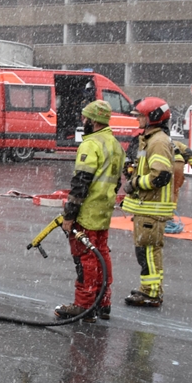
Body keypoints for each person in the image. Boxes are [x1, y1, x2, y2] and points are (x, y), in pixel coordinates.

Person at [56, 100, 125, 320]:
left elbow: (81, 182)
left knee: (85, 257)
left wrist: (70, 215)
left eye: (85, 118)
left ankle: (84, 305)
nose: (82, 121)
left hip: (87, 213)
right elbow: (116, 182)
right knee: (101, 254)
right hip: (104, 212)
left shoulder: (91, 145)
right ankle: (103, 302)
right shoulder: (115, 145)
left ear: (93, 121)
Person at [121, 97, 176, 308]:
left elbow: (160, 176)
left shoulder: (158, 142)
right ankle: (148, 288)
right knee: (144, 251)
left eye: (140, 116)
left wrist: (135, 183)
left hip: (152, 209)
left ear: (152, 117)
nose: (138, 120)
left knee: (149, 252)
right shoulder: (151, 139)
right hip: (147, 208)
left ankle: (151, 293)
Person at [164, 140, 192, 234]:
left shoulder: (158, 141)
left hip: (166, 162)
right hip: (179, 163)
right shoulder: (177, 143)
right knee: (174, 191)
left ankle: (161, 214)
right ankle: (170, 215)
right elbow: (190, 154)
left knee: (162, 190)